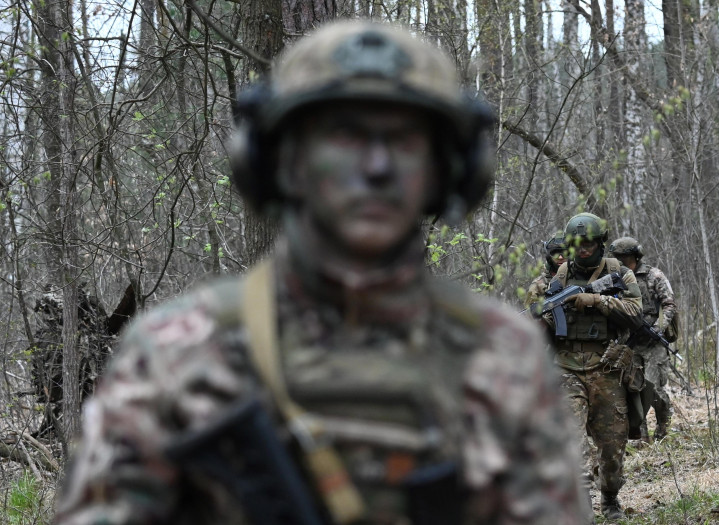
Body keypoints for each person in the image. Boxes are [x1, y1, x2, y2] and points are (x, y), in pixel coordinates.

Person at [55, 20, 589, 524]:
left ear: (446, 170)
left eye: (403, 140)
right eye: (345, 136)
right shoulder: (177, 352)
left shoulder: (504, 355)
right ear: (284, 161)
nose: (377, 168)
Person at [543, 212, 642, 520]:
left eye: (588, 244)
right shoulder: (560, 275)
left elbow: (636, 313)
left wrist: (596, 301)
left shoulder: (619, 272)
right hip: (566, 367)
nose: (582, 250)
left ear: (600, 243)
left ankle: (610, 499)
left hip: (607, 367)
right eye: (576, 245)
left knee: (612, 446)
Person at [609, 236, 677, 443]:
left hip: (653, 341)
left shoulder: (653, 276)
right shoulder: (613, 278)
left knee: (654, 388)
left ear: (635, 257)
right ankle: (641, 434)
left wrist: (659, 328)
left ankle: (663, 426)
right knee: (632, 389)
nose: (620, 261)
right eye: (617, 257)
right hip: (628, 342)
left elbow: (669, 304)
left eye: (625, 257)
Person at [525, 231, 567, 310]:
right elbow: (529, 317)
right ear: (549, 256)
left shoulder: (580, 276)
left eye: (565, 253)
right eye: (555, 253)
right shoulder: (537, 285)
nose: (560, 257)